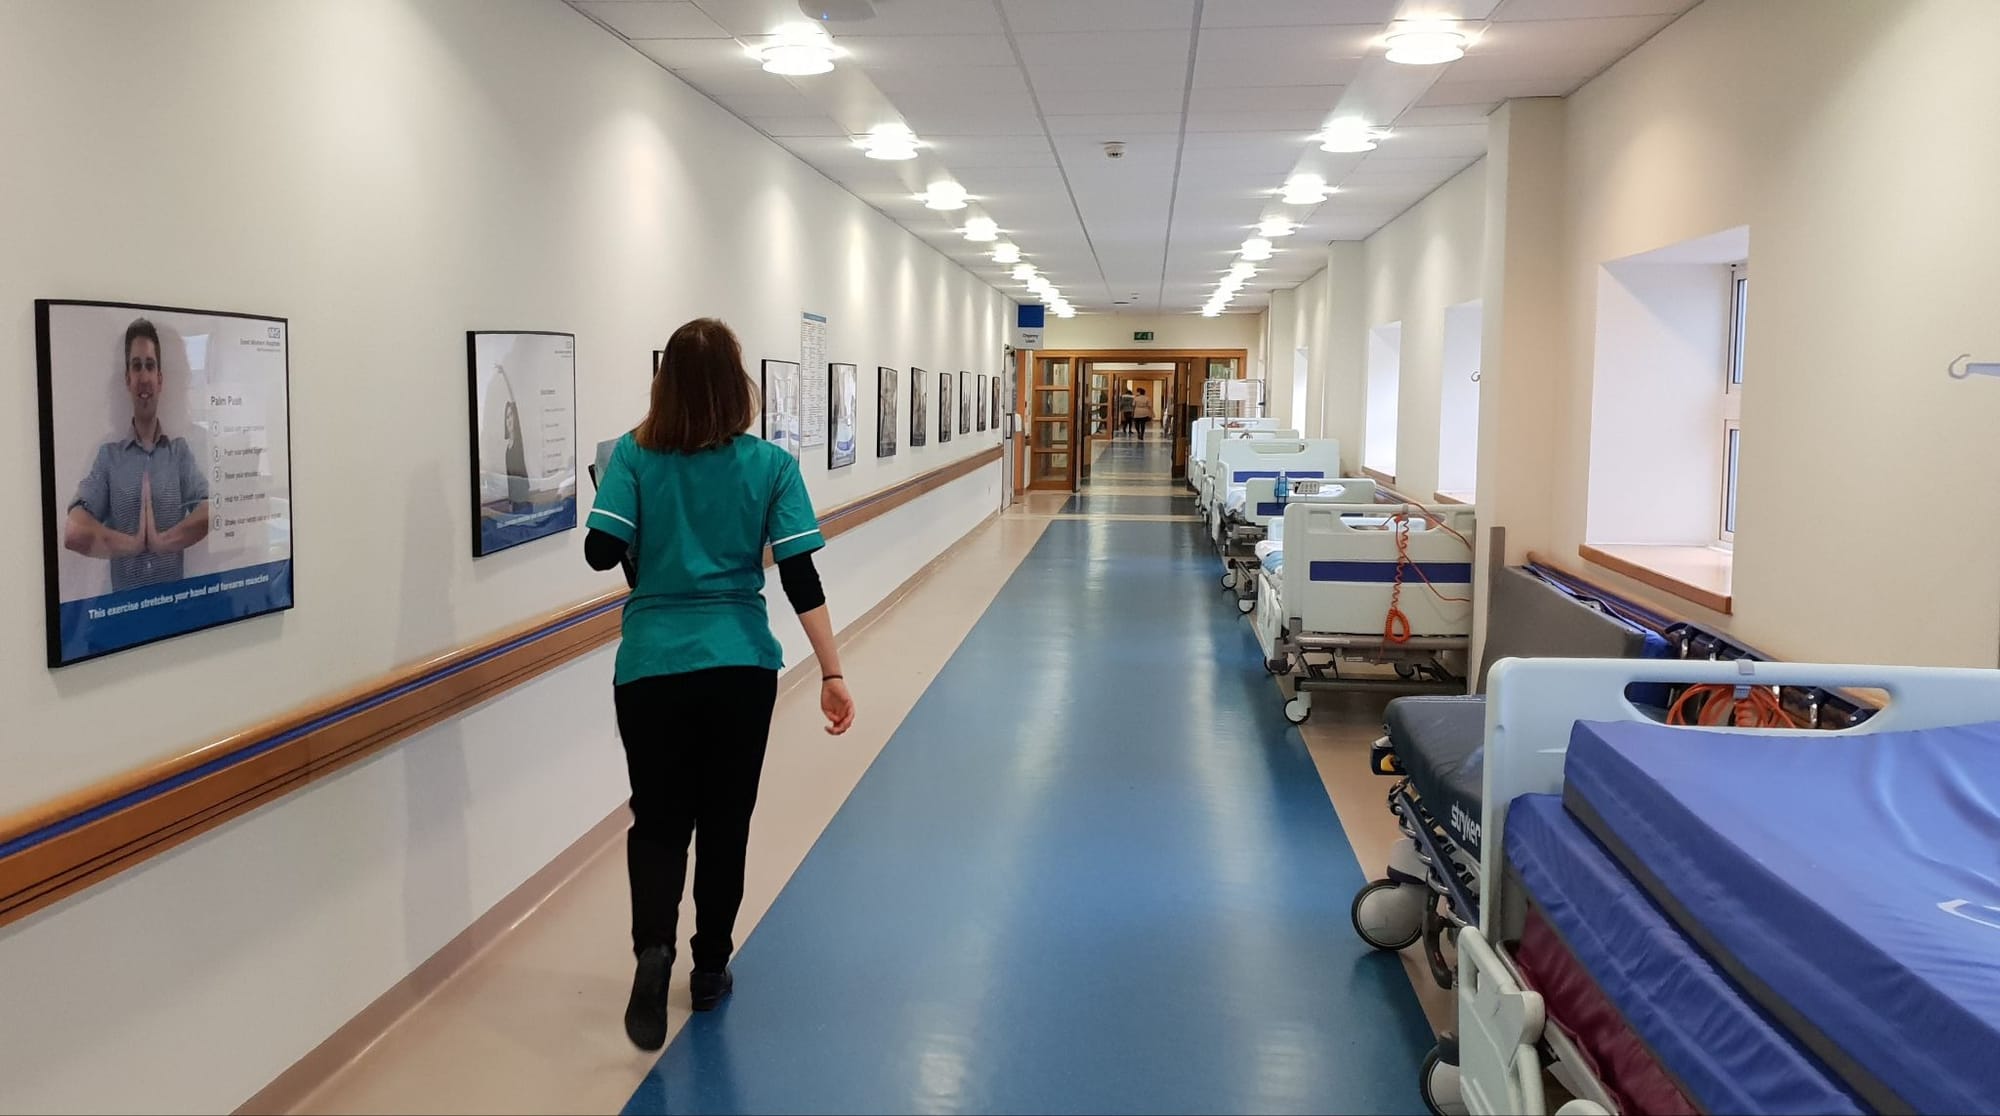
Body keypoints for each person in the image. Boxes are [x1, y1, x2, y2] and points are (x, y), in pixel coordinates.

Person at [584, 317, 856, 1052]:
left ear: (663, 385)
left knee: (659, 817)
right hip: (740, 665)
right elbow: (800, 576)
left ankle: (653, 949)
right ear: (740, 387)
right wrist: (832, 672)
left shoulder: (632, 456)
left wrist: (634, 502)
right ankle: (709, 968)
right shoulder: (771, 466)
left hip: (651, 667)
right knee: (725, 819)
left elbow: (600, 551)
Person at [64, 318, 210, 590]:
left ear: (160, 379)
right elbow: (73, 531)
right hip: (124, 610)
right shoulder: (108, 457)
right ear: (127, 380)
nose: (144, 377)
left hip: (174, 605)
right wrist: (130, 545)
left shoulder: (179, 453)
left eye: (150, 366)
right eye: (136, 366)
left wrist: (163, 542)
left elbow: (211, 510)